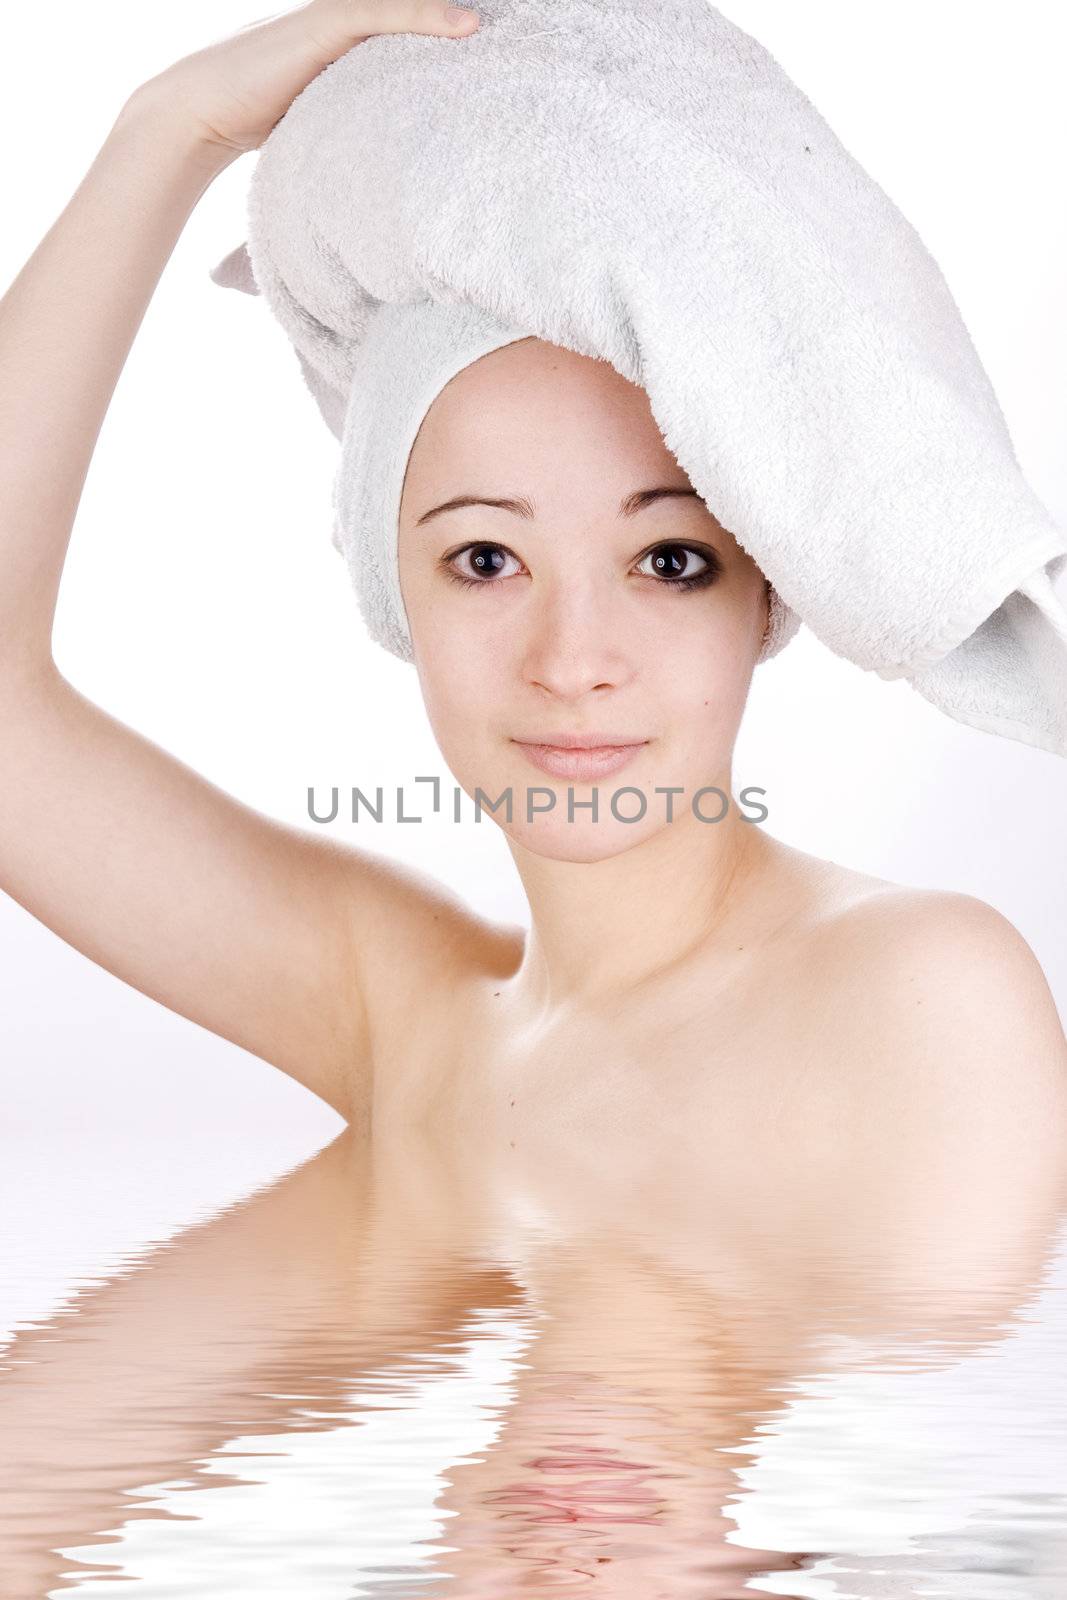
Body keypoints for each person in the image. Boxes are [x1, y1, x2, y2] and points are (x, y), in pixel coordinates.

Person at [1, 0, 1065, 1202]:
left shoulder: (919, 997)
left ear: (766, 584)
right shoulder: (412, 1025)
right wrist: (168, 129)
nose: (572, 661)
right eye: (485, 559)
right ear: (384, 580)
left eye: (667, 560)